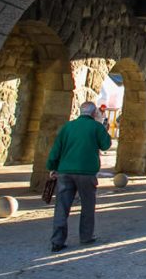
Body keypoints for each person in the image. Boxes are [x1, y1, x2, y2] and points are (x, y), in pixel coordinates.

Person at [46, 101, 111, 253]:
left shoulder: (68, 127)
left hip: (65, 171)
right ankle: (86, 236)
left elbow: (56, 149)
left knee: (62, 206)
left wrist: (52, 167)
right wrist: (102, 125)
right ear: (95, 113)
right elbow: (106, 145)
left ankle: (57, 241)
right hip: (86, 172)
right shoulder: (96, 127)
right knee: (88, 206)